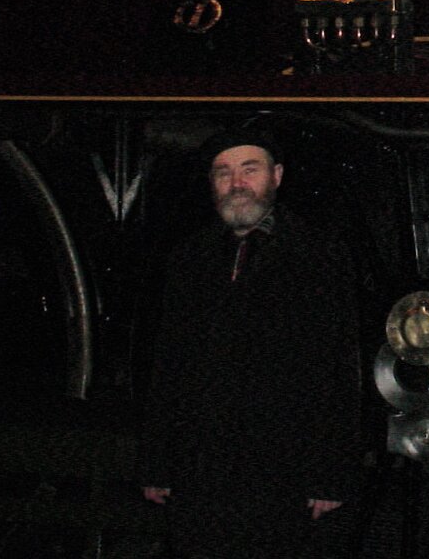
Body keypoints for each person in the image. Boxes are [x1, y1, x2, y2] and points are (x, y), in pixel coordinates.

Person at [140, 125, 361, 558]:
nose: (236, 183)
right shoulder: (189, 258)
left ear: (276, 176)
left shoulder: (320, 257)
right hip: (200, 468)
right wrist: (157, 463)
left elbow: (340, 367)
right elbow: (167, 365)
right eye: (223, 172)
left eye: (249, 169)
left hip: (284, 468)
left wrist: (331, 474)